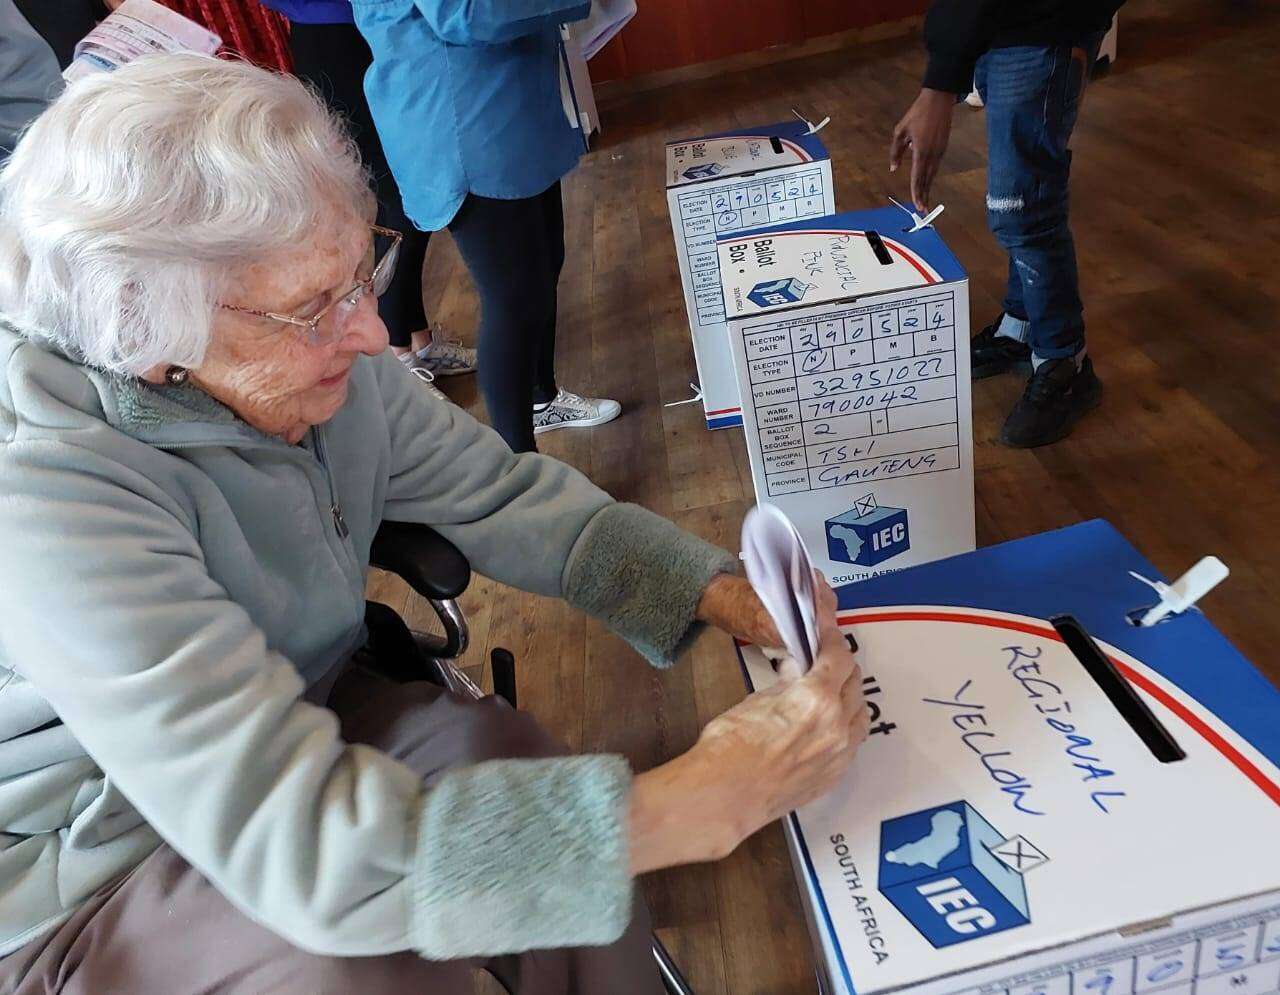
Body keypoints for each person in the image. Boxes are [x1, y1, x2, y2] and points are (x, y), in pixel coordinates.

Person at [0, 56, 870, 993]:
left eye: (359, 275)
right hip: (98, 862)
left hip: (306, 708)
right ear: (149, 333)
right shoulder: (46, 496)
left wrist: (723, 593)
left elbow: (498, 495)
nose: (372, 336)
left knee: (508, 762)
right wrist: (693, 805)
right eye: (312, 309)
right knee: (362, 971)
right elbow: (287, 838)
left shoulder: (325, 360)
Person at [350, 0, 622, 452]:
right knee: (514, 297)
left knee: (543, 266)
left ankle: (541, 399)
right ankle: (520, 470)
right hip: (464, 119)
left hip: (509, 106)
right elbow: (466, 13)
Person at [890, 1, 1123, 448]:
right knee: (1025, 194)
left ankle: (1064, 360)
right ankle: (1022, 325)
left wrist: (940, 84)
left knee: (1022, 208)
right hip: (1002, 23)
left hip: (1044, 23)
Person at [260, 0, 476, 403]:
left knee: (408, 195)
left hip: (380, 29)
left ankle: (419, 342)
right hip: (335, 37)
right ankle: (398, 353)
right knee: (392, 202)